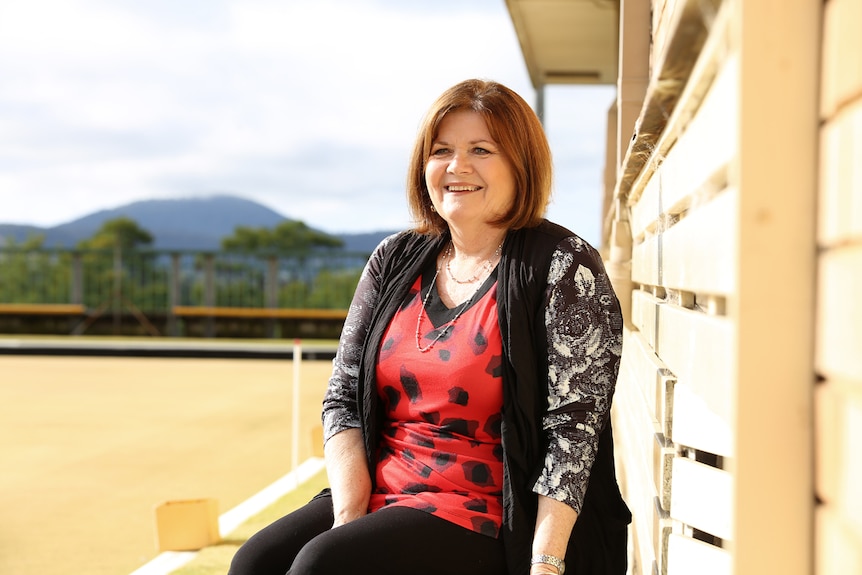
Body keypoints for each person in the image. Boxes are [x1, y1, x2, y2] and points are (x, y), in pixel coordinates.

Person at [227, 79, 631, 575]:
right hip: (384, 489)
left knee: (322, 566)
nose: (457, 166)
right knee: (254, 562)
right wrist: (350, 515)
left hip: (486, 514)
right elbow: (343, 394)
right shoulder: (394, 259)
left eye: (481, 149)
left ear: (520, 163)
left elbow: (575, 431)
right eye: (442, 151)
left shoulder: (565, 265)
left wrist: (545, 564)